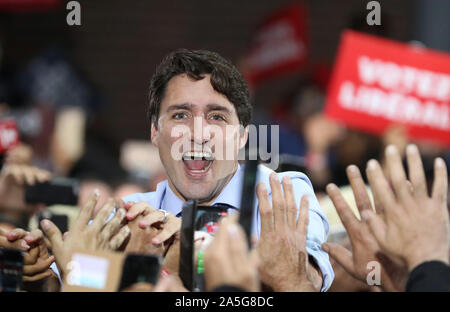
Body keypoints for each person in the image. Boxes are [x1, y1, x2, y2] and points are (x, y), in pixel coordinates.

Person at [121, 49, 333, 291]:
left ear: (242, 135)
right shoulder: (128, 218)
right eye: (180, 115)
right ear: (155, 132)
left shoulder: (280, 195)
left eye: (217, 117)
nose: (199, 134)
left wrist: (194, 252)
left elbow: (307, 282)